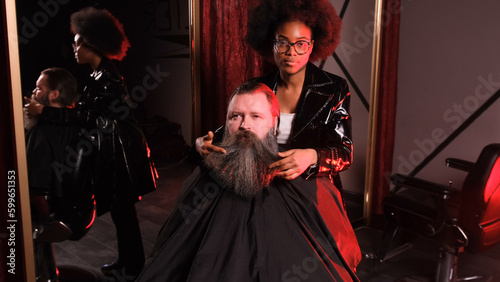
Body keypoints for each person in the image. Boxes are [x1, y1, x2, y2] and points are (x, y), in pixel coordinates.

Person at [137, 81, 361, 281]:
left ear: (275, 124)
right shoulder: (204, 178)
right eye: (236, 116)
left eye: (256, 116)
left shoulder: (301, 174)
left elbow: (339, 245)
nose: (245, 125)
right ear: (226, 123)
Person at [192, 0, 359, 268]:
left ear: (313, 45)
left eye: (300, 43)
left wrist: (312, 156)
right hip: (257, 186)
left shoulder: (334, 89)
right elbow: (232, 131)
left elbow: (344, 152)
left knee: (300, 263)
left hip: (309, 192)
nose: (291, 52)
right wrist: (203, 142)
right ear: (271, 44)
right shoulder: (257, 87)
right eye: (283, 42)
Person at [24, 7, 157, 280]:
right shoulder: (100, 75)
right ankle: (126, 262)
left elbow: (85, 116)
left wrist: (45, 112)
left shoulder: (107, 77)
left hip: (121, 156)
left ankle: (132, 269)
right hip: (114, 151)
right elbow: (86, 113)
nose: (74, 49)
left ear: (91, 44)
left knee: (125, 215)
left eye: (77, 44)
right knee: (123, 215)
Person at [25, 67, 95, 280]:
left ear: (54, 94)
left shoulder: (41, 131)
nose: (34, 93)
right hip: (83, 212)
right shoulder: (81, 127)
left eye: (39, 89)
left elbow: (37, 190)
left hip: (54, 217)